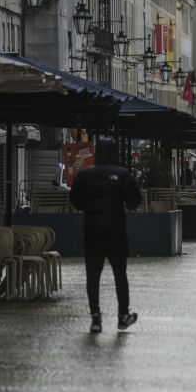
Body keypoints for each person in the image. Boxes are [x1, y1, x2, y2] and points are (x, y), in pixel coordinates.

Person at [69, 137, 142, 333]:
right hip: (116, 233)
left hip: (92, 232)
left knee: (93, 276)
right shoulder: (123, 175)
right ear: (114, 152)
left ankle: (95, 318)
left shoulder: (84, 176)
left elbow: (75, 201)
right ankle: (123, 315)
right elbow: (134, 201)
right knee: (120, 274)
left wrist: (89, 205)